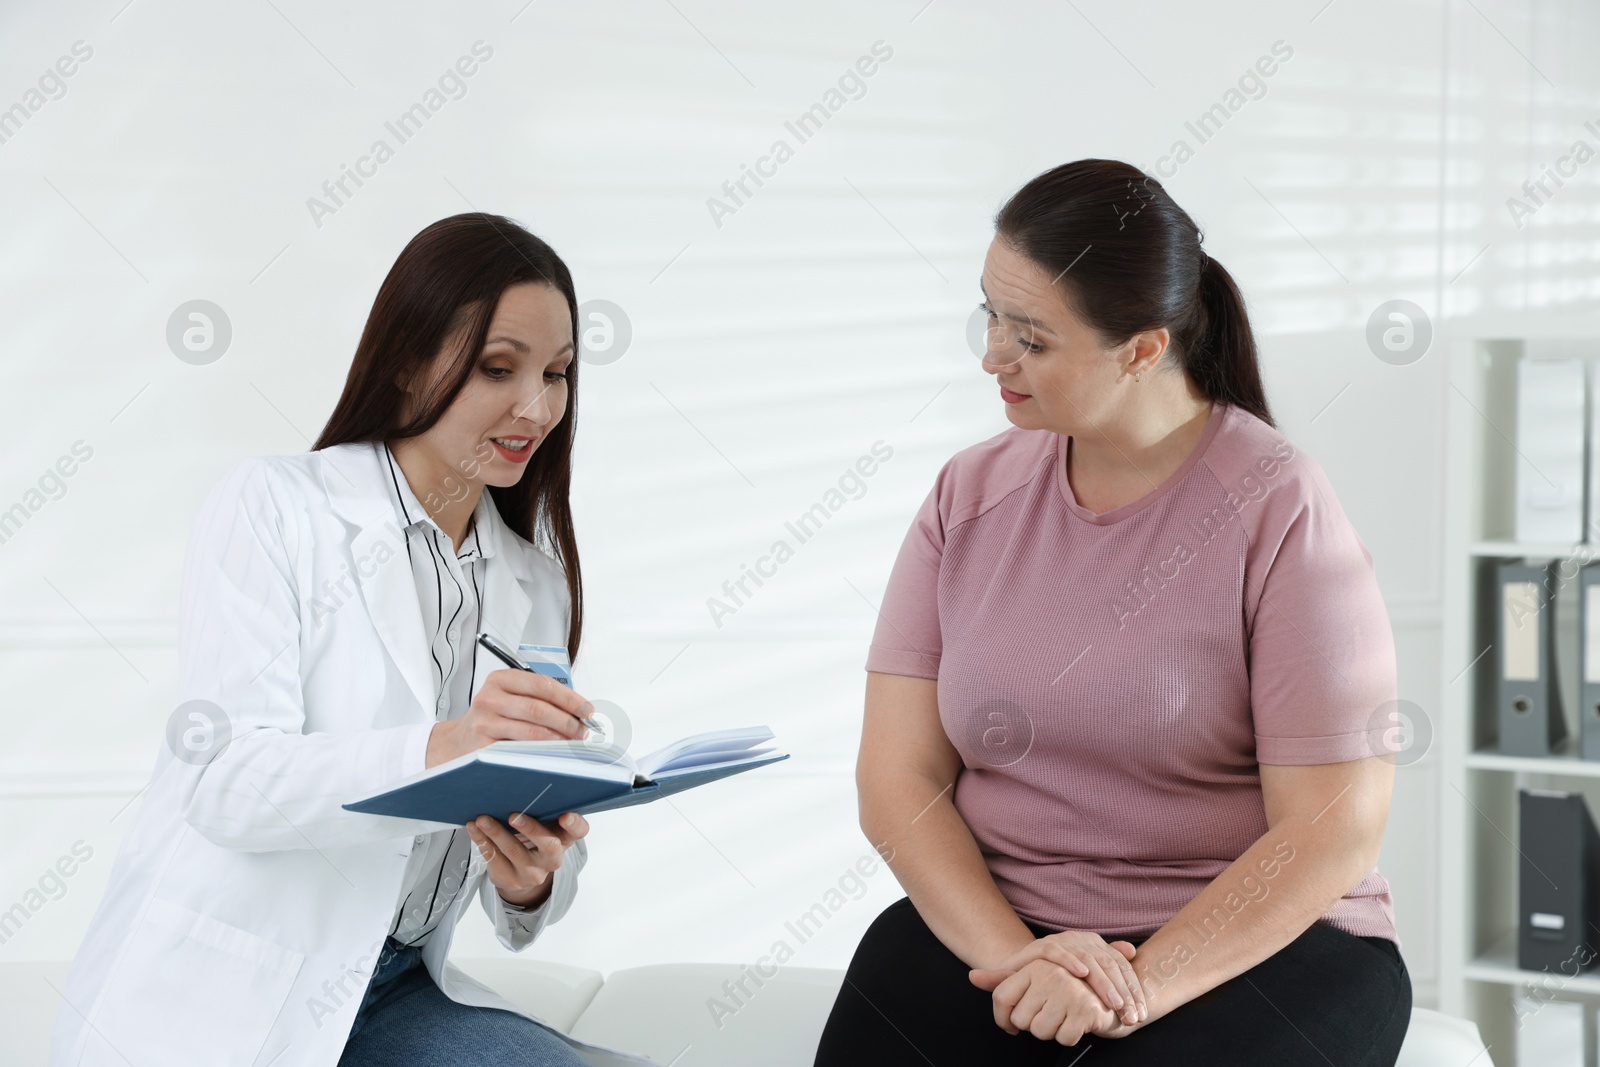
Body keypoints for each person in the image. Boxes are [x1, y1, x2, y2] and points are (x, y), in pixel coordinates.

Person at [813, 160, 1413, 1065]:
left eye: (1032, 339)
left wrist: (1133, 986)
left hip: (1258, 947)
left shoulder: (1277, 503)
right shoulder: (967, 496)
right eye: (990, 315)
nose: (991, 356)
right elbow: (897, 776)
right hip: (1007, 933)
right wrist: (1022, 958)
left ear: (1142, 349)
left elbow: (1333, 822)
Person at [49, 214, 650, 1067]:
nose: (538, 407)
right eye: (497, 368)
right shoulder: (274, 507)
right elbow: (224, 781)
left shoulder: (533, 581)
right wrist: (450, 746)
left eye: (556, 373)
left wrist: (532, 878)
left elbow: (519, 892)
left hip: (397, 987)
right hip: (238, 1000)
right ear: (406, 361)